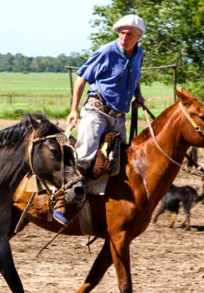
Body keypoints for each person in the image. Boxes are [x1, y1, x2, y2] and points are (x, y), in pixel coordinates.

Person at [55, 14, 146, 225]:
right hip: (97, 111)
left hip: (119, 117)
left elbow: (136, 74)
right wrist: (74, 110)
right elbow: (82, 78)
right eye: (121, 32)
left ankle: (103, 208)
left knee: (119, 163)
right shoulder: (106, 51)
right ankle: (61, 200)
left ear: (138, 37)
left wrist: (138, 95)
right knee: (85, 157)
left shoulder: (139, 54)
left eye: (129, 33)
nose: (124, 36)